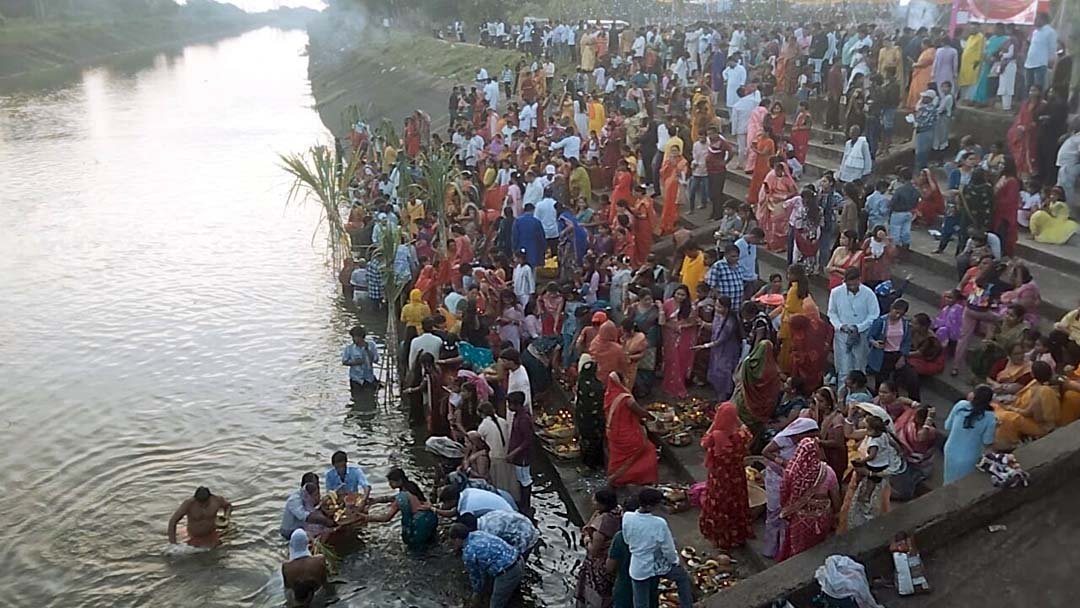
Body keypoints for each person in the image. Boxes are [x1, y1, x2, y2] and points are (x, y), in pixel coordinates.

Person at [622, 488, 694, 608]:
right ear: (650, 506)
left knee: (641, 602)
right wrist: (675, 561)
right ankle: (687, 605)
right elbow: (668, 549)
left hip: (639, 566)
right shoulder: (659, 523)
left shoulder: (627, 517)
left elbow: (627, 539)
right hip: (658, 563)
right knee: (682, 578)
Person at [760, 418, 820, 558]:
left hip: (791, 480)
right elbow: (766, 452)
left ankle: (782, 550)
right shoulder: (784, 439)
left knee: (786, 514)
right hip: (776, 478)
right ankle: (770, 549)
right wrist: (785, 463)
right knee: (774, 512)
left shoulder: (807, 444)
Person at [698, 402, 752, 549]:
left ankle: (721, 537)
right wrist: (737, 420)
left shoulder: (715, 436)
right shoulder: (742, 435)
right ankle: (737, 535)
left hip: (719, 478)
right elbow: (747, 431)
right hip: (736, 475)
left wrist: (715, 423)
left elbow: (703, 442)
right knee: (736, 501)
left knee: (719, 504)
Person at [777, 437, 840, 561]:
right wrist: (836, 514)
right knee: (818, 548)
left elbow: (784, 494)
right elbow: (836, 496)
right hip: (822, 517)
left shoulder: (791, 472)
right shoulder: (827, 471)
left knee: (798, 549)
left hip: (799, 517)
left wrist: (788, 508)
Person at [827, 267, 881, 389]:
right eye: (849, 284)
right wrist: (840, 326)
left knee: (859, 367)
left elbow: (874, 315)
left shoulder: (868, 294)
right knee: (844, 369)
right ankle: (842, 396)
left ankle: (858, 397)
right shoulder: (836, 292)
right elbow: (832, 313)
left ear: (859, 280)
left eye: (854, 284)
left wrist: (859, 327)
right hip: (842, 335)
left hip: (861, 335)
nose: (851, 287)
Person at [449, 523, 524, 608]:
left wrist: (476, 593)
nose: (453, 544)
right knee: (513, 595)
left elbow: (476, 577)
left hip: (508, 572)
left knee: (496, 603)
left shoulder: (468, 552)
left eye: (453, 541)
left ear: (458, 539)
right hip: (518, 559)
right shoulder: (479, 533)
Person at [604, 371, 658, 487]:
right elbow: (639, 411)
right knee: (649, 449)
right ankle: (625, 478)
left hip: (613, 432)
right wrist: (652, 417)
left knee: (619, 457)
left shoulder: (609, 394)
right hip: (627, 433)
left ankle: (615, 476)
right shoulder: (625, 397)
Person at [362, 467, 437, 548]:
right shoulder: (411, 486)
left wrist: (366, 518)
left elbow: (386, 518)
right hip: (430, 518)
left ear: (400, 481)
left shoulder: (401, 498)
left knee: (418, 552)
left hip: (419, 525)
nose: (389, 484)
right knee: (432, 544)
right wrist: (376, 500)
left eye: (391, 482)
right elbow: (394, 498)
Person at [994, 360, 1060, 450]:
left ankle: (1009, 447)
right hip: (1042, 421)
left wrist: (1010, 408)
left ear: (1032, 374)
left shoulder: (1041, 390)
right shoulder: (1041, 384)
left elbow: (1028, 413)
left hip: (1042, 428)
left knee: (1008, 418)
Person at [575, 488, 623, 607]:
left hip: (599, 566)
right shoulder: (619, 511)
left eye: (595, 500)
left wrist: (586, 538)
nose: (592, 501)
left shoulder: (601, 526)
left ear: (602, 504)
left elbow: (593, 550)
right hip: (614, 561)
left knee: (595, 594)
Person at [943, 386, 998, 484]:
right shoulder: (990, 418)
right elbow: (987, 441)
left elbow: (947, 426)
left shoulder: (960, 405)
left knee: (948, 480)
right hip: (969, 457)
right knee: (963, 483)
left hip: (950, 450)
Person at [167, 486, 231, 547]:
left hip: (211, 533)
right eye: (200, 503)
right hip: (193, 536)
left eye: (205, 502)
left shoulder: (217, 500)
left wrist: (226, 516)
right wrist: (173, 543)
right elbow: (173, 521)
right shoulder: (188, 504)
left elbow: (228, 506)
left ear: (210, 497)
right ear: (195, 499)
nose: (203, 505)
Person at [280, 473, 337, 540]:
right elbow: (306, 517)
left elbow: (317, 506)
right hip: (290, 532)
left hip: (304, 527)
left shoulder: (312, 495)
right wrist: (328, 522)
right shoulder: (294, 500)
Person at [282, 529, 327, 607]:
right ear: (307, 543)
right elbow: (324, 581)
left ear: (292, 544)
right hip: (317, 595)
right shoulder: (320, 559)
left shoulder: (286, 566)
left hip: (298, 600)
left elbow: (287, 588)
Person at [505, 391, 534, 516]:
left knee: (525, 480)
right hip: (518, 455)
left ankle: (526, 506)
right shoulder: (518, 415)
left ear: (516, 405)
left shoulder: (523, 419)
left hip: (522, 457)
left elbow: (528, 440)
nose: (508, 406)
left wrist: (514, 453)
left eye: (509, 404)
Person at [342, 325, 379, 403]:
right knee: (357, 399)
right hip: (356, 379)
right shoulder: (349, 348)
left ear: (361, 337)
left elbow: (376, 360)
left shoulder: (371, 345)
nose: (353, 339)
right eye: (353, 337)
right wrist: (354, 363)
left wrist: (367, 350)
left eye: (355, 337)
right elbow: (344, 361)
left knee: (370, 399)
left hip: (368, 378)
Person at [905, 38, 935, 109]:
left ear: (925, 44)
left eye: (922, 44)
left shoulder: (929, 51)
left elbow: (926, 61)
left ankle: (917, 105)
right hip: (924, 72)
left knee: (920, 89)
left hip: (924, 73)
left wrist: (915, 64)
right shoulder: (930, 51)